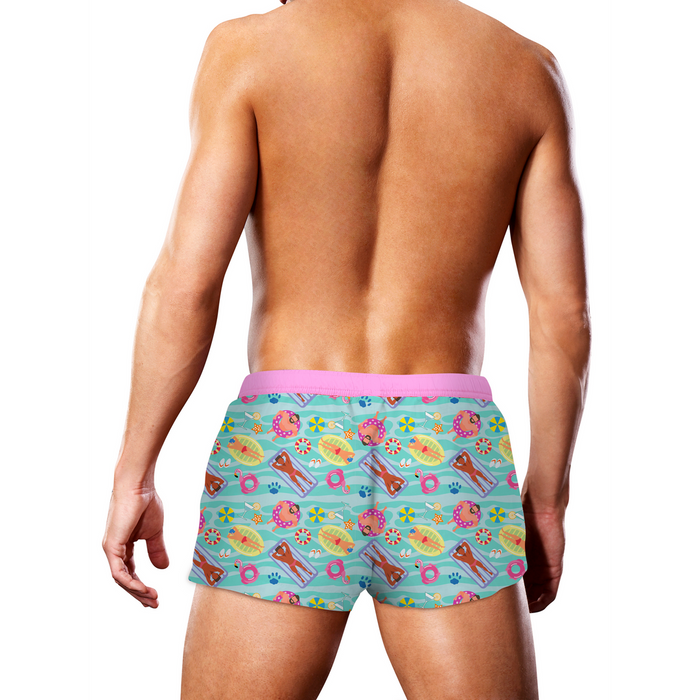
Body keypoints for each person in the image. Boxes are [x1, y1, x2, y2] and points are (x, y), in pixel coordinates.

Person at [101, 0, 590, 698]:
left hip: (287, 441)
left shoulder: (250, 50)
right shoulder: (524, 67)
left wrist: (135, 475)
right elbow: (564, 317)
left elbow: (185, 283)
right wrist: (545, 502)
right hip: (446, 448)